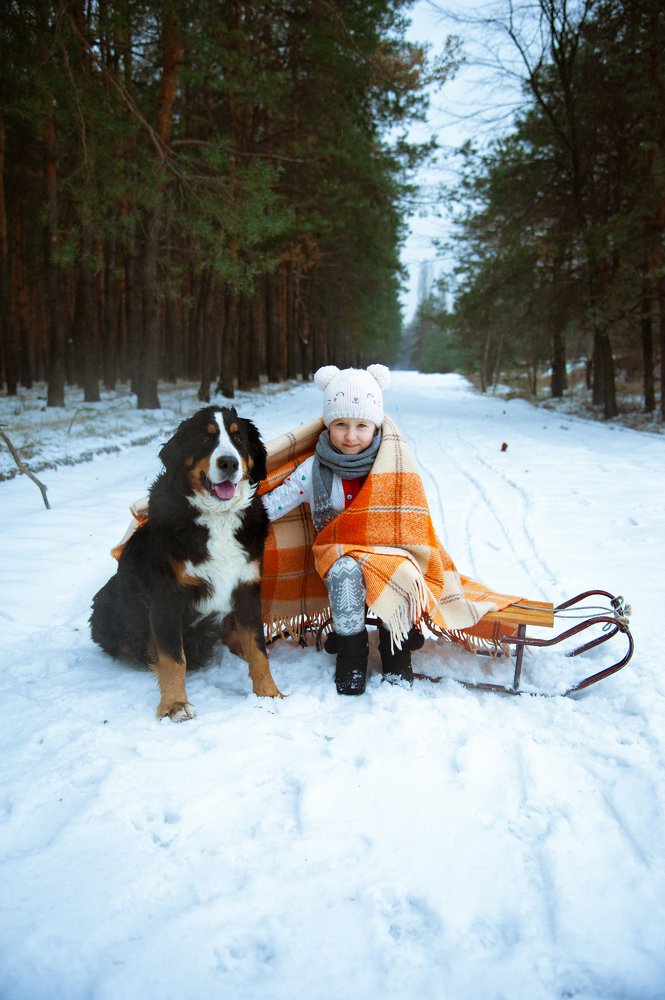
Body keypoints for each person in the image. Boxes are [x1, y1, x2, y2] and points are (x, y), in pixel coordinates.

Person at [262, 364, 425, 695]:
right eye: (341, 425)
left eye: (361, 425)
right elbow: (274, 504)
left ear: (375, 425)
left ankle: (397, 651)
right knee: (346, 572)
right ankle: (352, 654)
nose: (350, 436)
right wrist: (231, 514)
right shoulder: (315, 470)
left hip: (385, 549)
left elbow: (410, 514)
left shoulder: (390, 463)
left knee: (400, 567)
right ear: (328, 424)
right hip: (336, 552)